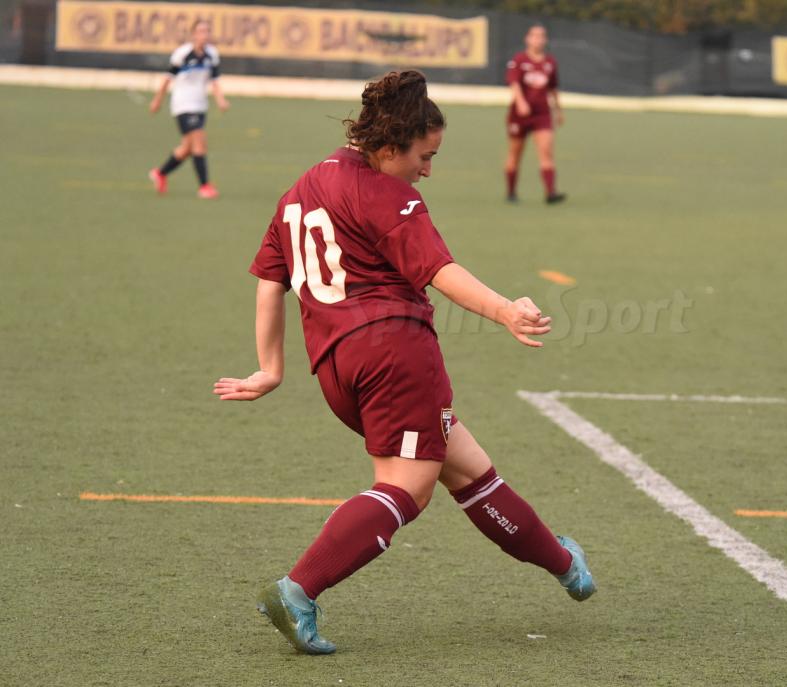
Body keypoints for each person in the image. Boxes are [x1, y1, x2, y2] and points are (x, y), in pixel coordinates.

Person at [213, 70, 595, 655]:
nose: (427, 170)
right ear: (390, 147)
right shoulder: (387, 193)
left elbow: (270, 281)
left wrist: (270, 367)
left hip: (337, 369)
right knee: (406, 490)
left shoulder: (301, 189)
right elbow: (440, 271)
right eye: (425, 156)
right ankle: (298, 589)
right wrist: (504, 311)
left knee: (468, 469)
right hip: (395, 356)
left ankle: (566, 565)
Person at [148, 19, 228, 199]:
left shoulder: (212, 54)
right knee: (199, 142)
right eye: (200, 31)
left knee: (187, 148)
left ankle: (160, 173)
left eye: (207, 31)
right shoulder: (182, 54)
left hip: (200, 106)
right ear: (193, 34)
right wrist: (157, 101)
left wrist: (221, 100)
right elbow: (167, 78)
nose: (204, 35)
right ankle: (204, 186)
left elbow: (214, 81)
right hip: (183, 104)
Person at [504, 24, 565, 204]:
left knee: (546, 151)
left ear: (545, 40)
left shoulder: (550, 62)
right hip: (519, 115)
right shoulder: (519, 60)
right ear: (527, 39)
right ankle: (511, 192)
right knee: (515, 153)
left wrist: (558, 110)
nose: (538, 39)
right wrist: (521, 102)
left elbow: (552, 89)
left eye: (541, 36)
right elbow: (514, 83)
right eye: (534, 36)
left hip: (542, 114)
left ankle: (550, 193)